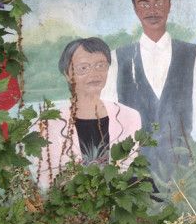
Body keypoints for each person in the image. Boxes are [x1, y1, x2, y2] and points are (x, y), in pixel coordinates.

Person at [101, 0, 196, 170]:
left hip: (183, 169)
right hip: (134, 171)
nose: (152, 10)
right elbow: (112, 120)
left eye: (159, 2)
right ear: (135, 9)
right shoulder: (116, 59)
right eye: (144, 4)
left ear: (170, 5)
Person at [37, 37, 141, 188]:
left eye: (101, 65)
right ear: (67, 74)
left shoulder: (129, 117)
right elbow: (45, 180)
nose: (94, 74)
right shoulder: (48, 122)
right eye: (83, 68)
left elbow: (128, 172)